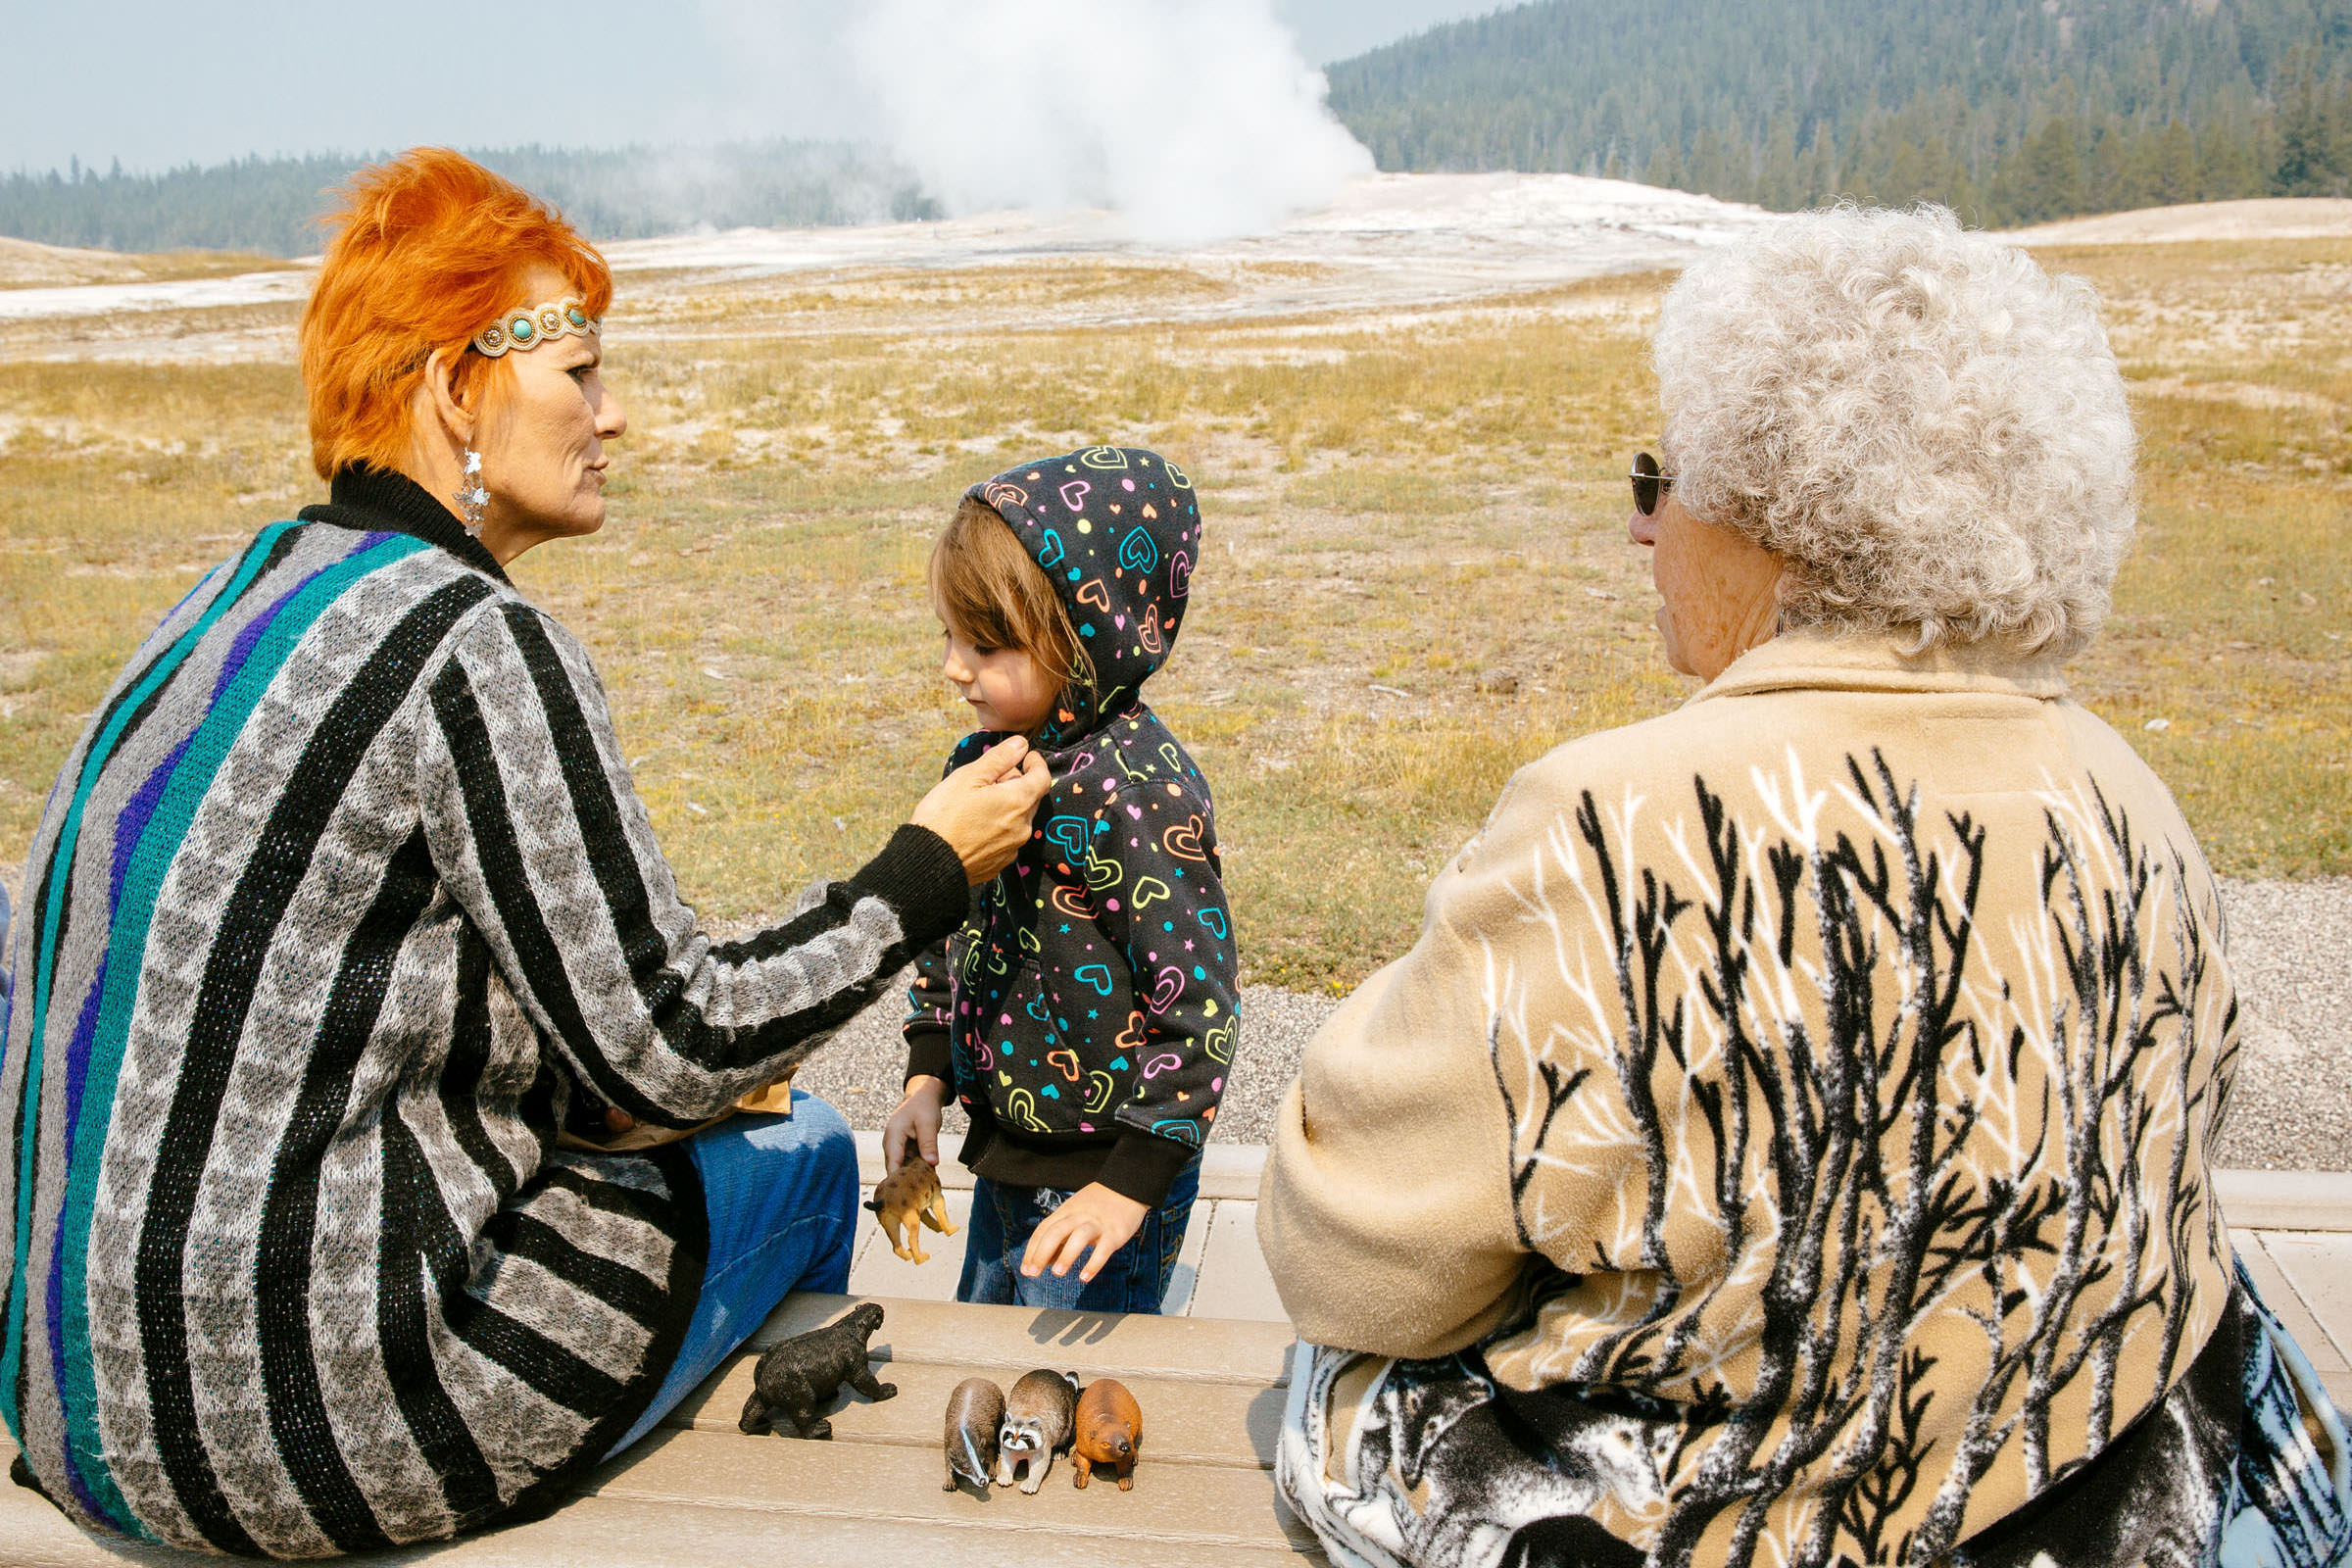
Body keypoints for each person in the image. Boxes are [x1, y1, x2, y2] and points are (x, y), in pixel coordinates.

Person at [1259, 206, 2352, 1568]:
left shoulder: (1612, 820)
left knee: (1338, 1397)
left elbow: (1354, 1266)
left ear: (1777, 521)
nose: (1644, 533)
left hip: (1730, 1518)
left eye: (1662, 483)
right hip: (2088, 1493)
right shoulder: (2130, 792)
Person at [0, 148, 1052, 1557]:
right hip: (303, 1430)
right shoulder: (469, 640)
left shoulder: (230, 597)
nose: (615, 417)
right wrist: (928, 871)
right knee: (798, 1152)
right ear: (453, 389)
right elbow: (668, 1042)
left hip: (74, 1413)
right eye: (581, 374)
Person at [883, 450, 1237, 1312]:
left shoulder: (1141, 793)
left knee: (1071, 1404)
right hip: (1008, 1146)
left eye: (988, 644)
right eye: (950, 635)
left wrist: (1134, 1181)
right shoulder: (985, 763)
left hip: (1103, 1176)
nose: (955, 669)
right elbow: (947, 916)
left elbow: (1199, 1002)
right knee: (983, 1354)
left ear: (1090, 639)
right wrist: (928, 1073)